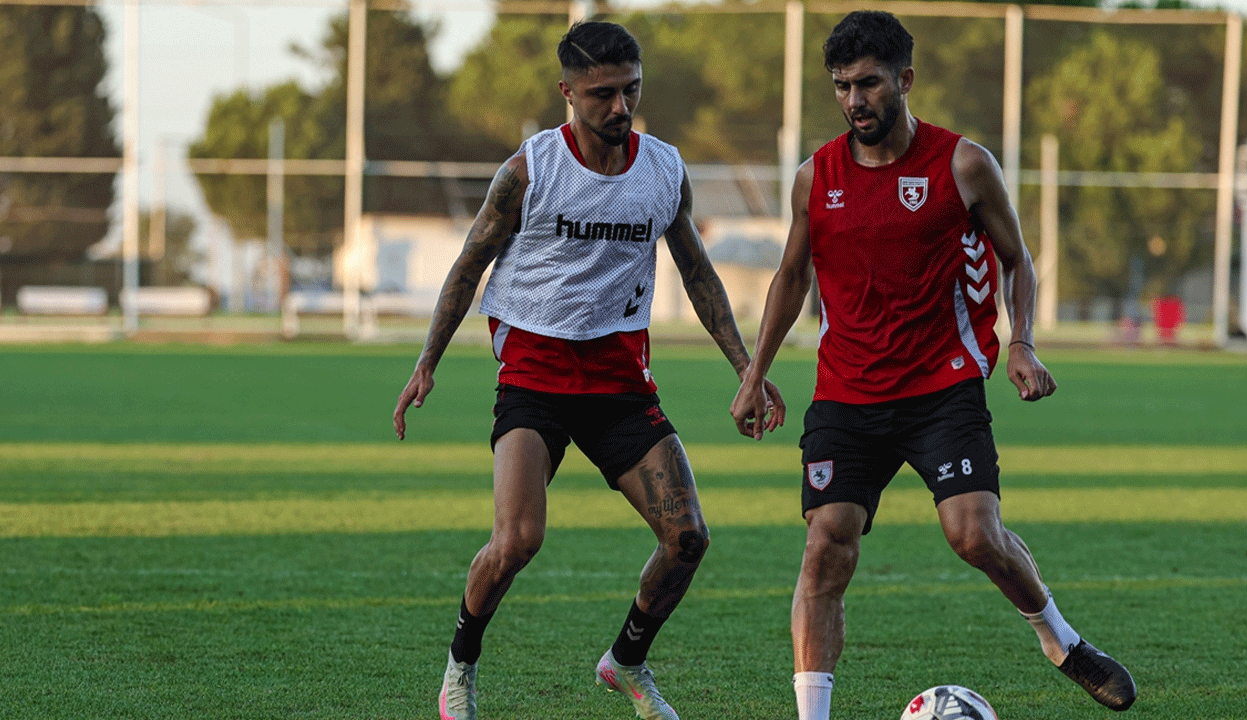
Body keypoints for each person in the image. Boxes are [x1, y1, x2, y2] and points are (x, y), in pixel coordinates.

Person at [729, 10, 1136, 719]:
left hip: (941, 386)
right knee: (827, 545)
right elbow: (791, 277)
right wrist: (753, 371)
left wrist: (1022, 342)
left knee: (974, 534)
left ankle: (1061, 642)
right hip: (848, 393)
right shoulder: (813, 178)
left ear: (905, 80)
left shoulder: (962, 165)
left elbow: (1018, 260)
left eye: (868, 84)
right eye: (841, 87)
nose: (855, 100)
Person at [394, 20, 780, 720]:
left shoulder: (663, 169)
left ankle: (626, 663)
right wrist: (428, 361)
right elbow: (469, 263)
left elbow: (696, 271)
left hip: (618, 383)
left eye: (631, 90)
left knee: (688, 537)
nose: (619, 108)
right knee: (516, 541)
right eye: (602, 94)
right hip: (535, 376)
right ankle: (461, 664)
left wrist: (746, 368)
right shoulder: (529, 171)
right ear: (567, 92)